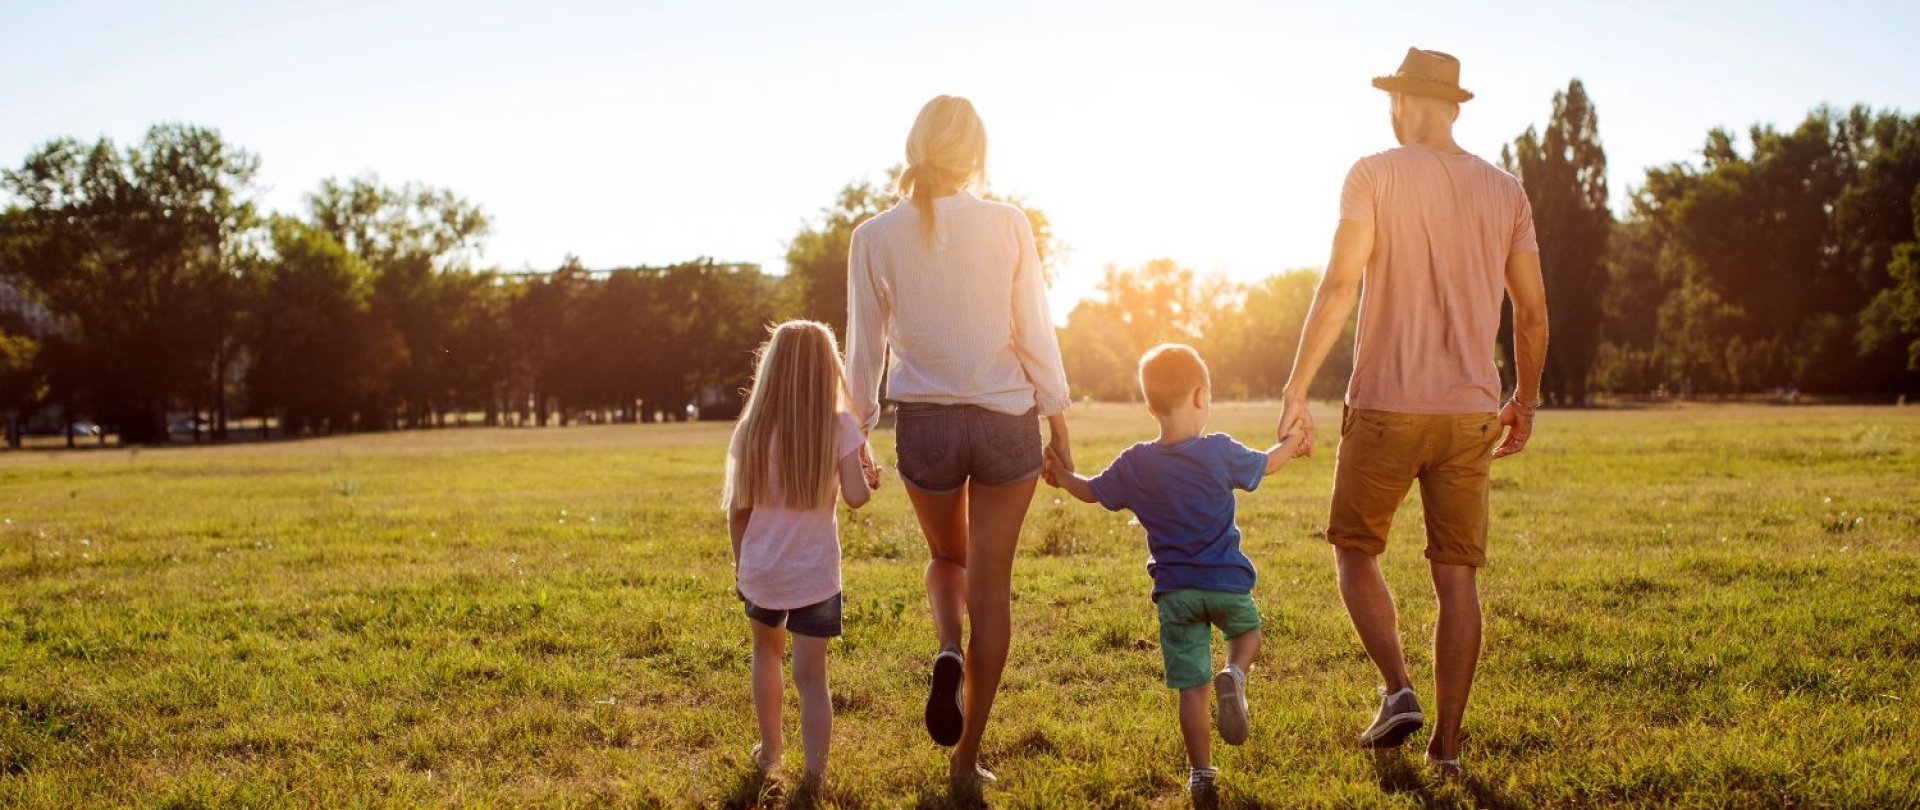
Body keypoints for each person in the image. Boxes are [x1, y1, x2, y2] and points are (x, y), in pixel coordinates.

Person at [1274, 47, 1549, 779]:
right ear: (1453, 106)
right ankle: (1448, 749)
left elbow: (1338, 287)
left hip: (1387, 405)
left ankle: (1398, 687)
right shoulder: (1506, 190)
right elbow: (1531, 311)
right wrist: (1525, 398)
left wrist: (1296, 387)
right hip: (1470, 414)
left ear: (1403, 103)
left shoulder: (1373, 173)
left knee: (1354, 550)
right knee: (1457, 579)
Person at [845, 95, 1073, 786]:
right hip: (1007, 422)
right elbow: (1035, 329)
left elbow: (865, 348)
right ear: (975, 154)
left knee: (949, 558)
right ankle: (966, 759)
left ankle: (947, 648)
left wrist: (856, 431)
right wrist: (1058, 420)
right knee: (994, 590)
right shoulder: (1008, 223)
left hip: (927, 424)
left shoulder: (873, 234)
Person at [1042, 344, 1300, 798]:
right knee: (1247, 635)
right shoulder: (1219, 451)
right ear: (1201, 396)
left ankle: (1201, 773)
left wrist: (1063, 476)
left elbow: (1090, 491)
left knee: (1192, 688)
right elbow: (1268, 463)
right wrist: (1295, 443)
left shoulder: (1135, 463)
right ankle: (1236, 673)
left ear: (1149, 406)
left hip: (1176, 594)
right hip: (1227, 584)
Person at [723, 320, 881, 784]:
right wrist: (868, 476)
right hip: (815, 575)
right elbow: (857, 497)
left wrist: (740, 567)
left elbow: (737, 511)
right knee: (812, 677)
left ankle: (771, 754)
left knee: (765, 654)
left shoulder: (751, 428)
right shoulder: (839, 425)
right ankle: (814, 774)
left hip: (763, 570)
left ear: (771, 367)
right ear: (826, 368)